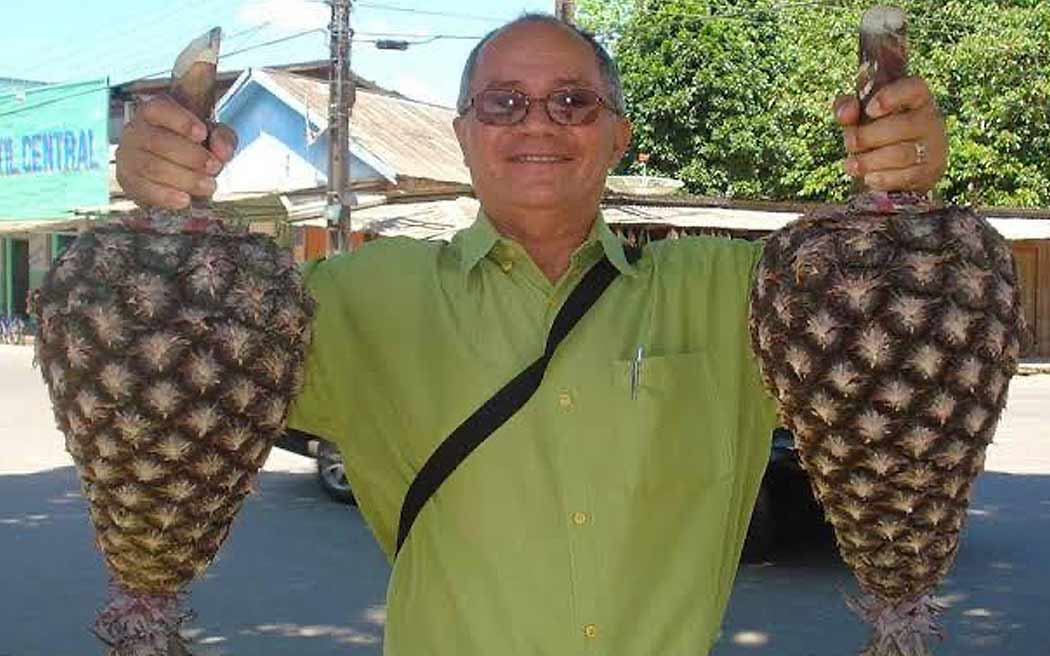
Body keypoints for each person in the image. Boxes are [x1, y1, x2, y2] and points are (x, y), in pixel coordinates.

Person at [116, 13, 948, 655]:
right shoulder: (355, 300)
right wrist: (159, 200)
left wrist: (905, 186)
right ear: (464, 134)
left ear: (619, 134)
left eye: (573, 102)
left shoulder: (734, 294)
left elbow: (902, 317)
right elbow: (166, 349)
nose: (537, 124)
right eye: (503, 102)